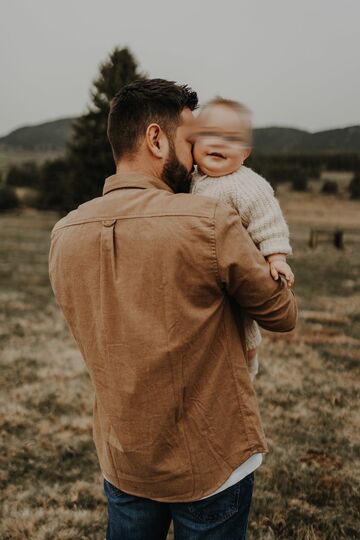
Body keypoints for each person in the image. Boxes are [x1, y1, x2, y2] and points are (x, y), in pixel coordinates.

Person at [49, 79, 297, 540]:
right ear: (156, 139)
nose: (199, 153)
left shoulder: (63, 234)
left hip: (125, 459)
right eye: (190, 141)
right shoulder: (209, 221)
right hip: (211, 464)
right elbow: (282, 314)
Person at [191, 97, 294, 381]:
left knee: (241, 327)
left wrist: (276, 257)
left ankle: (246, 371)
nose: (219, 143)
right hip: (199, 273)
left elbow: (267, 220)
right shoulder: (189, 179)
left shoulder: (246, 185)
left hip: (234, 272)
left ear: (245, 152)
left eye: (230, 138)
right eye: (210, 134)